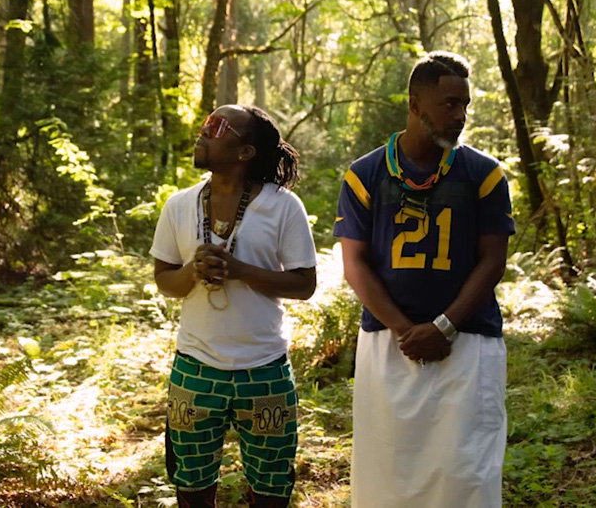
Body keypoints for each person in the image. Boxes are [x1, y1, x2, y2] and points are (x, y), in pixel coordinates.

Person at [333, 51, 515, 507]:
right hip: (388, 344)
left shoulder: (484, 174)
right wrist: (404, 329)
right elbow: (354, 264)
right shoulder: (365, 175)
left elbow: (493, 260)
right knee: (386, 472)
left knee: (467, 471)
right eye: (449, 104)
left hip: (467, 341)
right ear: (415, 104)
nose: (460, 115)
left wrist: (444, 326)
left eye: (465, 105)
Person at [151, 104, 318, 508]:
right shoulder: (179, 205)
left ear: (245, 153)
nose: (204, 130)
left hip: (264, 370)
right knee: (191, 488)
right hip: (194, 368)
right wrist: (193, 271)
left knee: (271, 491)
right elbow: (164, 279)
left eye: (217, 126)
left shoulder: (283, 206)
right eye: (207, 122)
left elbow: (304, 284)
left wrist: (240, 270)